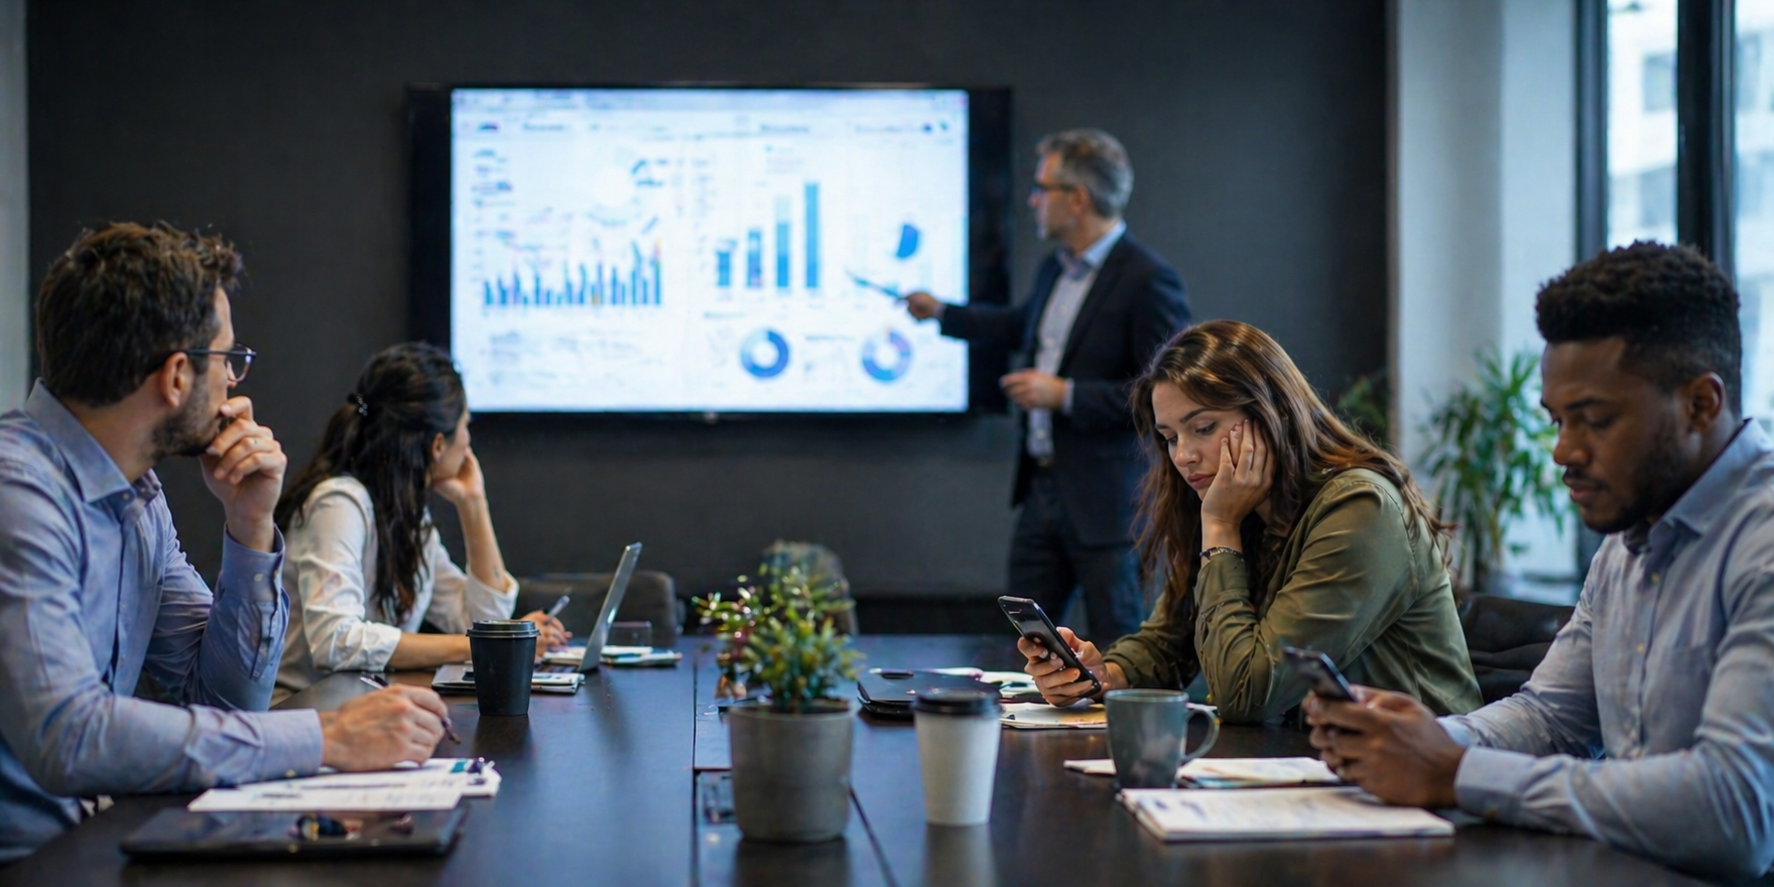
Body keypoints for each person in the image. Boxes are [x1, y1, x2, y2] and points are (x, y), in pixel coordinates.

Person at [1306, 243, 1774, 882]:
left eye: (1594, 421)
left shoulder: (1762, 542)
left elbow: (1736, 814)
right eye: (1557, 421)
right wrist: (1437, 740)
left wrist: (1455, 771)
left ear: (1701, 403)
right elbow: (1551, 716)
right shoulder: (1629, 536)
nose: (1562, 452)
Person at [0, 223, 449, 863]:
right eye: (228, 359)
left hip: (85, 844)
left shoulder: (139, 496)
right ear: (178, 375)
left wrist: (249, 525)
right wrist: (328, 737)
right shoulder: (18, 494)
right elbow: (68, 737)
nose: (235, 382)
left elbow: (226, 700)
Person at [1020, 320, 1482, 723]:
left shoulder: (1360, 507)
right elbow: (1168, 641)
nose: (1183, 455)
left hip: (1414, 787)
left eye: (1203, 428)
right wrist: (1102, 674)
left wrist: (1219, 528)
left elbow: (1247, 693)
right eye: (1169, 437)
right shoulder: (1239, 505)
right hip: (1313, 768)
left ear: (1272, 412)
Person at [904, 128, 1191, 641]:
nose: (1033, 200)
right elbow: (1020, 327)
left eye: (1043, 187)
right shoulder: (1053, 270)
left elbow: (1166, 394)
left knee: (1117, 642)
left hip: (1106, 504)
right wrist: (943, 313)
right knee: (1028, 641)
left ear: (1078, 198)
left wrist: (1065, 395)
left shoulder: (1147, 279)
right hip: (1041, 489)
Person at [274, 343, 568, 700]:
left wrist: (473, 504)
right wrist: (473, 646)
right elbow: (335, 641)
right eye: (466, 426)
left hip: (365, 708)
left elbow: (478, 618)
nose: (469, 440)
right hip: (305, 716)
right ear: (438, 445)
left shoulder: (407, 515)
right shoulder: (339, 502)